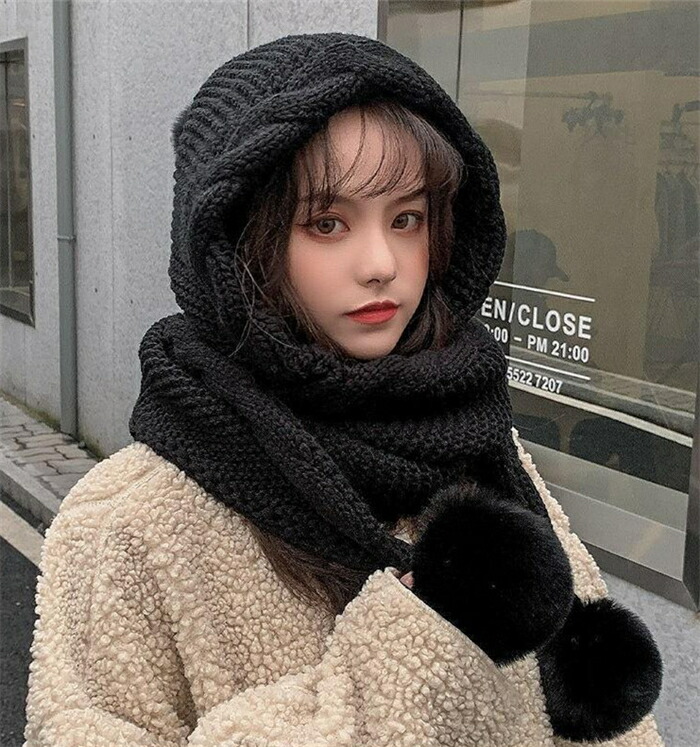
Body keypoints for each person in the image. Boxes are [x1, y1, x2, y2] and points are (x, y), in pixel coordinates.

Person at [24, 32, 665, 746]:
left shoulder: (476, 440)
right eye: (327, 223)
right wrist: (403, 659)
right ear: (236, 243)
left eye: (407, 219)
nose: (381, 263)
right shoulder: (131, 522)